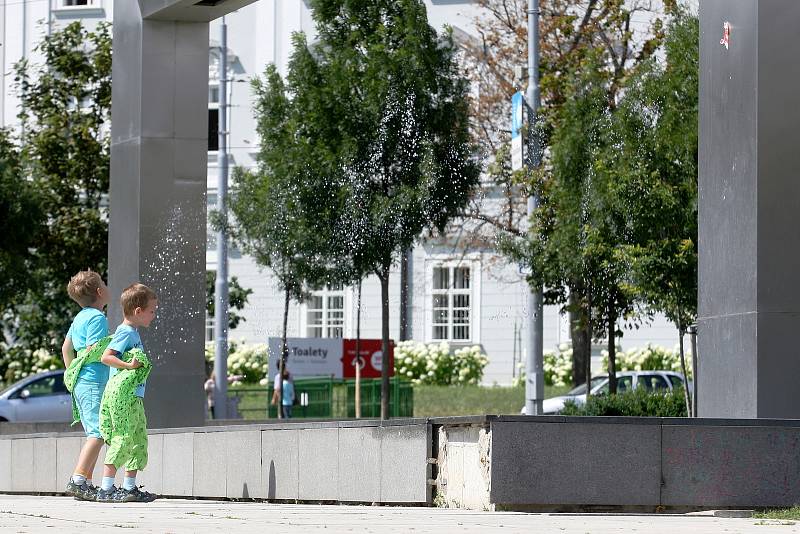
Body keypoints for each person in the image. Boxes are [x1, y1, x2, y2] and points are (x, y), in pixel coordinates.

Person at [96, 283, 157, 503]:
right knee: (122, 438)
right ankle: (106, 488)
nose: (154, 315)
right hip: (122, 395)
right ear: (138, 311)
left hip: (133, 396)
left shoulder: (133, 332)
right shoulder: (125, 331)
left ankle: (129, 487)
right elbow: (106, 357)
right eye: (152, 311)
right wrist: (128, 366)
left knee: (138, 438)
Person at [61, 270, 111, 502]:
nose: (106, 286)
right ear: (100, 292)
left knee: (95, 432)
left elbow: (66, 349)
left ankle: (86, 483)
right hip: (92, 381)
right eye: (104, 283)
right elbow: (94, 349)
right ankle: (78, 480)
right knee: (98, 433)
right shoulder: (98, 318)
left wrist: (72, 374)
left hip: (82, 381)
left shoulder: (79, 317)